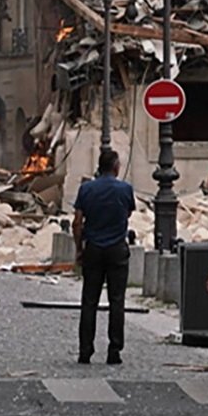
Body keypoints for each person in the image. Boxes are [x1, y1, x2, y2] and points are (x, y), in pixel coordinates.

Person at [70, 148, 136, 365]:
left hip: (94, 248)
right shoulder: (125, 189)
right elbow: (127, 213)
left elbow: (77, 222)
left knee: (89, 301)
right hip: (117, 247)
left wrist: (79, 248)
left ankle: (85, 350)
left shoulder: (86, 189)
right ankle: (114, 350)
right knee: (117, 301)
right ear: (116, 167)